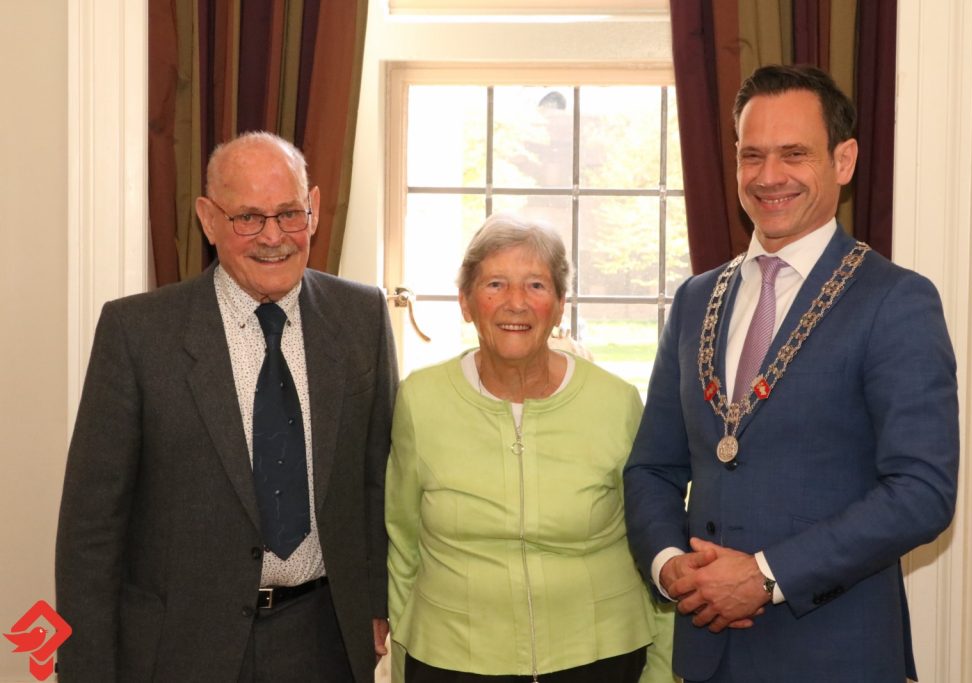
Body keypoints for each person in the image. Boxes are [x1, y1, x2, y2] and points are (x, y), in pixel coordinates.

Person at [623, 64, 959, 683]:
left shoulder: (895, 300)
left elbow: (921, 491)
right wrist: (669, 563)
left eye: (794, 154)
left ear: (844, 160)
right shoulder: (695, 299)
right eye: (751, 155)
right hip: (707, 652)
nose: (768, 176)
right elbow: (652, 467)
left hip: (836, 653)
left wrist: (766, 576)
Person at [55, 131, 397, 682]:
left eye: (289, 213)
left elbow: (379, 479)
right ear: (208, 220)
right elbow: (92, 527)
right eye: (248, 218)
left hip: (324, 639)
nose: (273, 237)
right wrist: (86, 668)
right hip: (179, 646)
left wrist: (379, 603)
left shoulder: (362, 317)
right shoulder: (137, 333)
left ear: (313, 210)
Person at [385, 213, 674, 682]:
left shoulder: (616, 402)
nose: (515, 303)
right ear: (465, 302)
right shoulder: (420, 400)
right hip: (452, 658)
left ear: (559, 306)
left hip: (601, 655)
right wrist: (401, 664)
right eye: (495, 284)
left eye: (536, 285)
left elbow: (653, 537)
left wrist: (660, 672)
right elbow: (403, 545)